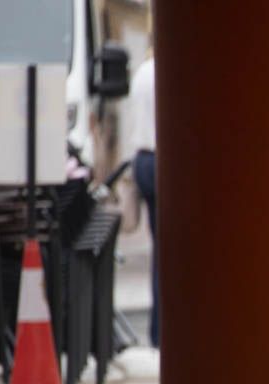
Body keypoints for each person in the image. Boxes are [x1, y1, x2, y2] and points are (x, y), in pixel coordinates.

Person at [129, 51, 159, 348]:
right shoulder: (167, 71)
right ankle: (164, 330)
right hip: (161, 158)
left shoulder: (142, 72)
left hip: (143, 160)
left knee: (159, 249)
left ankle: (158, 330)